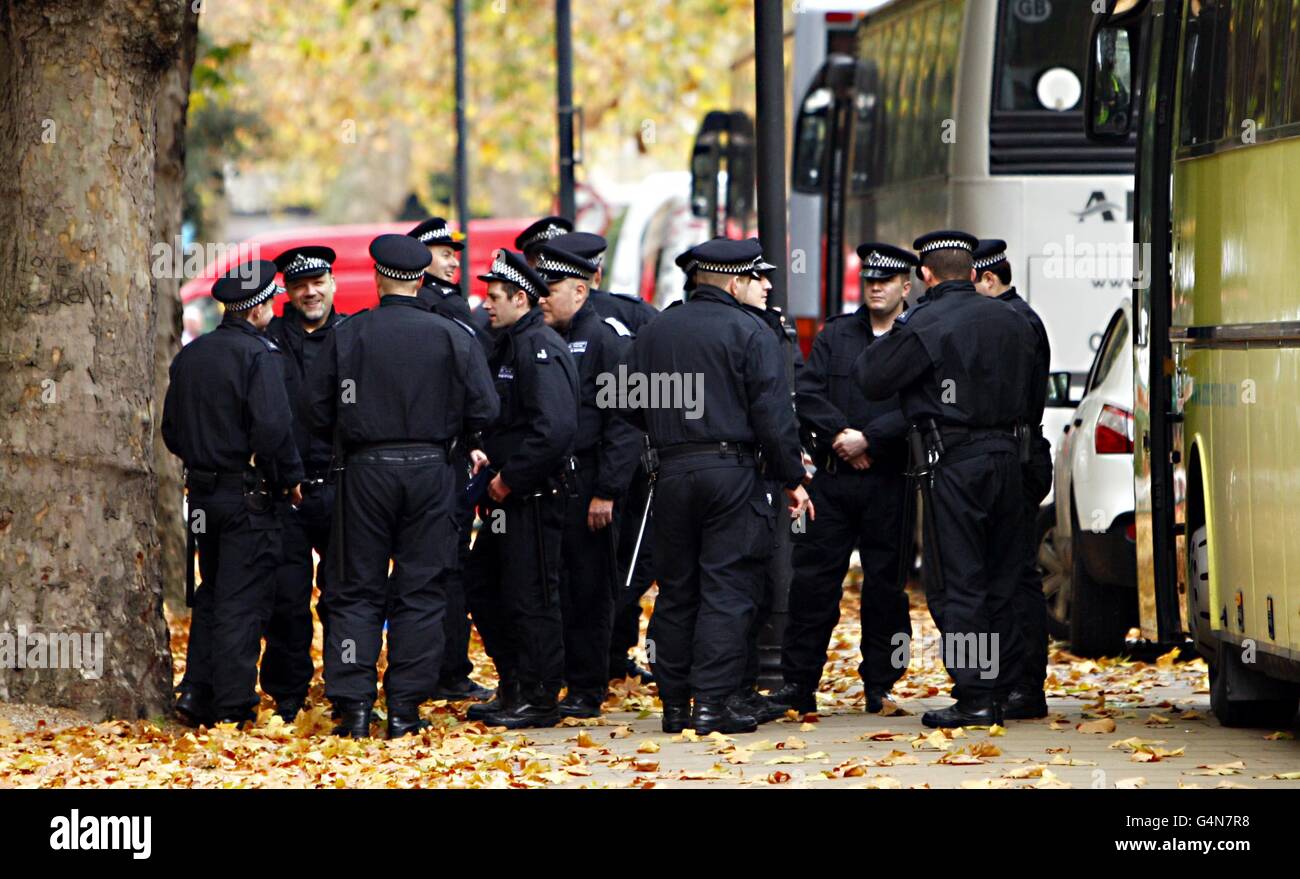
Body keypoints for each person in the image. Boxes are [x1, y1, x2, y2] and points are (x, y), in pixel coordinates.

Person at [304, 234, 498, 738]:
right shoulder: (453, 335)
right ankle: (407, 706)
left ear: (377, 276)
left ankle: (355, 706)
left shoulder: (350, 335)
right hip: (432, 471)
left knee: (354, 591)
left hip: (365, 471)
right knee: (422, 590)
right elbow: (486, 408)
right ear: (420, 278)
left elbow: (315, 409)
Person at [625, 237, 813, 735]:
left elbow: (620, 399)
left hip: (670, 472)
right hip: (732, 473)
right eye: (758, 277)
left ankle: (673, 705)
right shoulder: (752, 331)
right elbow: (773, 417)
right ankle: (712, 703)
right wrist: (792, 478)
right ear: (734, 282)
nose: (768, 285)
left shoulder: (655, 330)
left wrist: (668, 425)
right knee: (727, 588)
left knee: (678, 590)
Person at [853, 230, 1036, 728]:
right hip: (1009, 457)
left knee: (958, 581)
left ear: (926, 276)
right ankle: (1002, 688)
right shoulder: (1015, 318)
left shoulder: (925, 321)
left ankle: (975, 693)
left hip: (952, 461)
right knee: (1002, 577)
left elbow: (872, 377)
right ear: (973, 271)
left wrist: (903, 326)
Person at [769, 243, 916, 717]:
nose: (875, 287)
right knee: (812, 585)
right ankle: (797, 683)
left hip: (889, 480)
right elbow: (808, 393)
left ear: (905, 287)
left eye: (886, 281)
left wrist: (869, 440)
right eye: (870, 280)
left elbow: (921, 404)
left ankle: (882, 683)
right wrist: (840, 438)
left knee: (887, 589)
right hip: (834, 482)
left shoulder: (916, 337)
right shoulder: (837, 334)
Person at [163, 260, 303, 727]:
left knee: (212, 593)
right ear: (259, 309)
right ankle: (232, 704)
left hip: (203, 496)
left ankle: (196, 691)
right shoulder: (259, 356)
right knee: (243, 600)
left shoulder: (192, 356)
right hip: (247, 497)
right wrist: (288, 478)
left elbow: (172, 431)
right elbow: (273, 429)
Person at [465, 249, 580, 729]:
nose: (487, 304)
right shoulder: (507, 344)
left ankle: (538, 696)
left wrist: (509, 479)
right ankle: (513, 684)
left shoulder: (538, 348)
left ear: (520, 298)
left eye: (495, 297)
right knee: (485, 588)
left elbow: (553, 429)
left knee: (531, 597)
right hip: (503, 497)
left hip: (530, 497)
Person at [534, 239, 642, 718]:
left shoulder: (607, 340)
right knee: (549, 586)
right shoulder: (541, 338)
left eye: (550, 287)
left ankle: (585, 687)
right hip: (549, 485)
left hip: (589, 483)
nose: (541, 296)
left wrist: (608, 491)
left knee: (591, 591)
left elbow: (625, 421)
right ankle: (550, 678)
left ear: (579, 291)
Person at [261, 245, 350, 721]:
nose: (310, 292)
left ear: (332, 284)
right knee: (286, 598)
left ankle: (346, 689)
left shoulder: (356, 335)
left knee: (344, 596)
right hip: (284, 493)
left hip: (341, 487)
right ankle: (288, 694)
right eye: (299, 285)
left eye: (318, 282)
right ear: (286, 292)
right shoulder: (269, 339)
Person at [407, 216, 493, 702]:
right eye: (443, 253)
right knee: (445, 568)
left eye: (455, 252)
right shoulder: (440, 311)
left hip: (448, 453)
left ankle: (439, 669)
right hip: (444, 458)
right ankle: (446, 670)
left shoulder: (452, 307)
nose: (454, 260)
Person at [973, 238, 1052, 720]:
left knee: (1014, 574)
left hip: (1016, 458)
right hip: (1019, 454)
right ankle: (1010, 681)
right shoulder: (1020, 317)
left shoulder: (1014, 322)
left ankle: (1020, 682)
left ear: (987, 279)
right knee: (1006, 572)